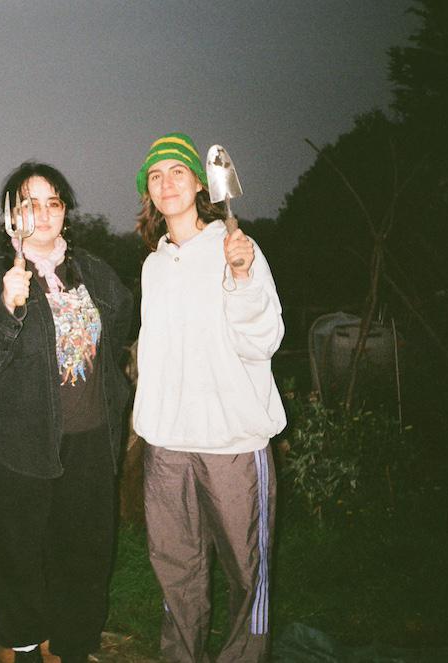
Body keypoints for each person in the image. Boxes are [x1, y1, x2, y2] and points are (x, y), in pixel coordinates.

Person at [0, 162, 133, 663]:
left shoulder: (96, 273)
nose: (42, 213)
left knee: (83, 551)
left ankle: (74, 646)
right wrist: (8, 307)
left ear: (65, 213)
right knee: (17, 555)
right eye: (28, 204)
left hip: (88, 440)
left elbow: (117, 336)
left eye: (53, 202)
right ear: (9, 217)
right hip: (15, 442)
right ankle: (22, 647)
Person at [132, 133, 286, 663]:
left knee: (248, 576)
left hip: (232, 443)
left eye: (178, 171)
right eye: (155, 176)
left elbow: (263, 340)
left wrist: (240, 278)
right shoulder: (154, 266)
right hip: (168, 447)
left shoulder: (235, 246)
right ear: (148, 193)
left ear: (201, 183)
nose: (166, 183)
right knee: (177, 573)